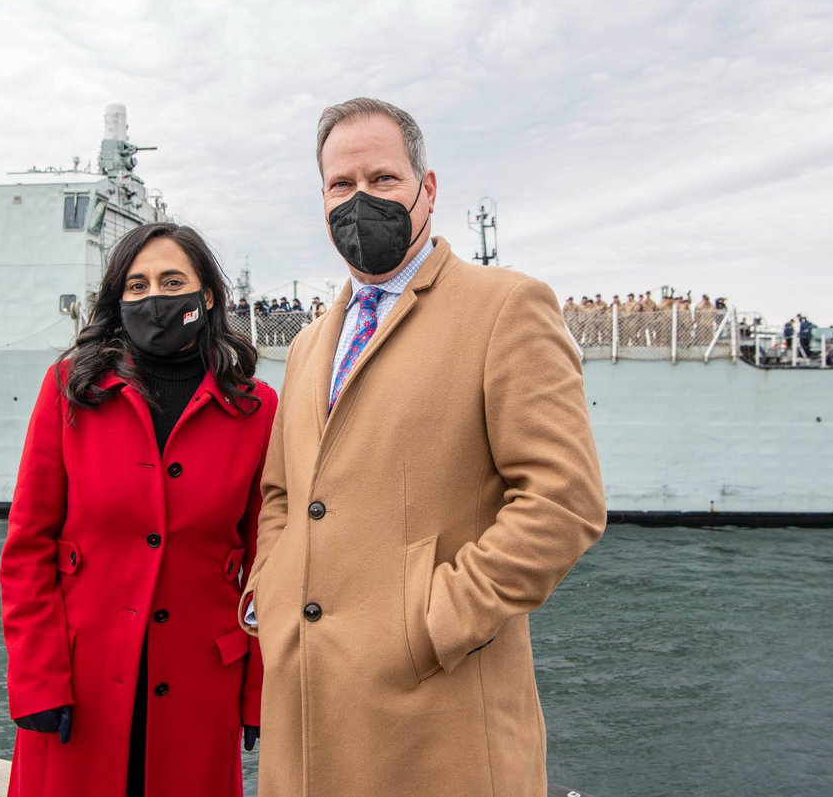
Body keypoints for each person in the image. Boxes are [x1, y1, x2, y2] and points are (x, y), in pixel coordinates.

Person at [237, 97, 605, 797]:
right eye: (341, 186)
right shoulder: (313, 340)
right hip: (309, 717)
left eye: (383, 179)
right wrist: (272, 594)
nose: (360, 200)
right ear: (321, 200)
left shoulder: (506, 307)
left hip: (437, 724)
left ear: (427, 189)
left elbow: (564, 501)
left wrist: (433, 620)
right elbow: (283, 493)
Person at [1, 222, 278, 797]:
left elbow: (265, 564)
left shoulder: (257, 410)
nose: (154, 298)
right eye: (137, 285)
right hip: (80, 686)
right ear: (117, 298)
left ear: (207, 296)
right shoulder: (69, 389)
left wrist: (258, 693)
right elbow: (28, 548)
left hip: (202, 688)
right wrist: (37, 680)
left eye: (172, 280)